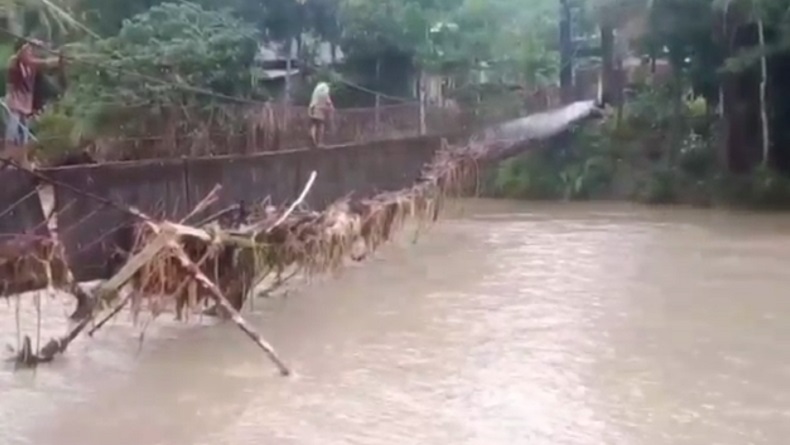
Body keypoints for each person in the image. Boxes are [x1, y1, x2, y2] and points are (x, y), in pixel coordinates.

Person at [3, 38, 60, 165]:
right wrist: (31, 44)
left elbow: (43, 63)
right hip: (14, 98)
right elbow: (22, 57)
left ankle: (22, 158)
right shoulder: (15, 60)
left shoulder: (32, 65)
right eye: (29, 49)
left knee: (23, 130)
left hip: (25, 101)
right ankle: (7, 153)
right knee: (13, 126)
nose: (31, 52)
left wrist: (59, 61)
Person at [308, 81, 334, 147]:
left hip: (312, 110)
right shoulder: (325, 94)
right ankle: (320, 142)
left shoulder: (315, 93)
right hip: (320, 112)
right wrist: (331, 109)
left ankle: (312, 135)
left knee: (314, 125)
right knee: (321, 126)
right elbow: (329, 103)